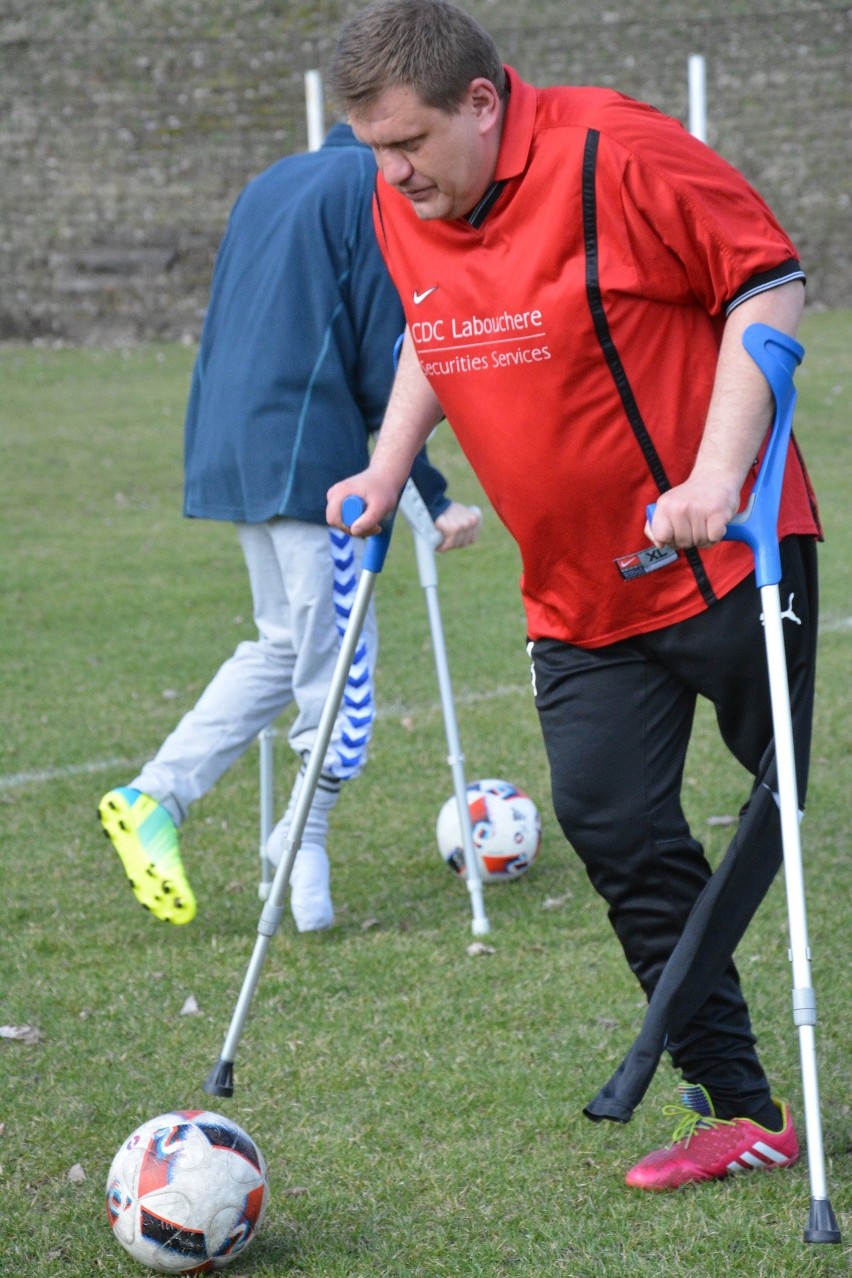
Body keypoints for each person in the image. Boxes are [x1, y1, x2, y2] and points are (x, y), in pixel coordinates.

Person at [325, 0, 822, 1192]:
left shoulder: (619, 149)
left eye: (408, 145)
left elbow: (770, 284)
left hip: (727, 558)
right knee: (612, 827)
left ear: (483, 102)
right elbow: (434, 333)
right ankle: (740, 1109)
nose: (392, 175)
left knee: (784, 825)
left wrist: (715, 475)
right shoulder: (409, 202)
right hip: (576, 598)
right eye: (374, 153)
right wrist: (389, 469)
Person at [98, 121, 482, 934]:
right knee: (340, 668)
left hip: (230, 444)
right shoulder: (372, 192)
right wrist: (434, 497)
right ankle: (296, 836)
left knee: (285, 646)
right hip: (312, 461)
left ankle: (152, 797)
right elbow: (388, 360)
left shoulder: (271, 179)